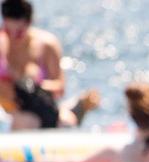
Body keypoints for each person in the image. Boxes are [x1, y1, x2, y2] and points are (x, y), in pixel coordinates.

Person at [0, 0, 98, 129]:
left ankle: (79, 107)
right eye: (8, 30)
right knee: (23, 121)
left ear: (29, 23)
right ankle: (77, 106)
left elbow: (60, 87)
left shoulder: (46, 45)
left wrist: (32, 87)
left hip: (37, 109)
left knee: (66, 123)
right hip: (7, 114)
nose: (13, 36)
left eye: (19, 32)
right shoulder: (2, 42)